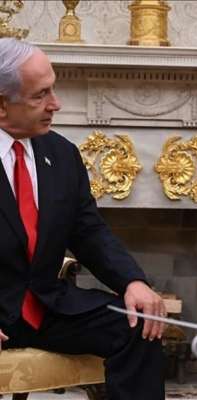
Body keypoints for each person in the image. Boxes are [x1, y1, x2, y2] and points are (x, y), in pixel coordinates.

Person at [0, 38, 166, 399]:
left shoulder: (61, 154)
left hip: (46, 306)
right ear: (1, 105)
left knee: (141, 325)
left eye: (53, 89)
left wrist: (132, 281)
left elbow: (88, 231)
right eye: (40, 95)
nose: (55, 104)